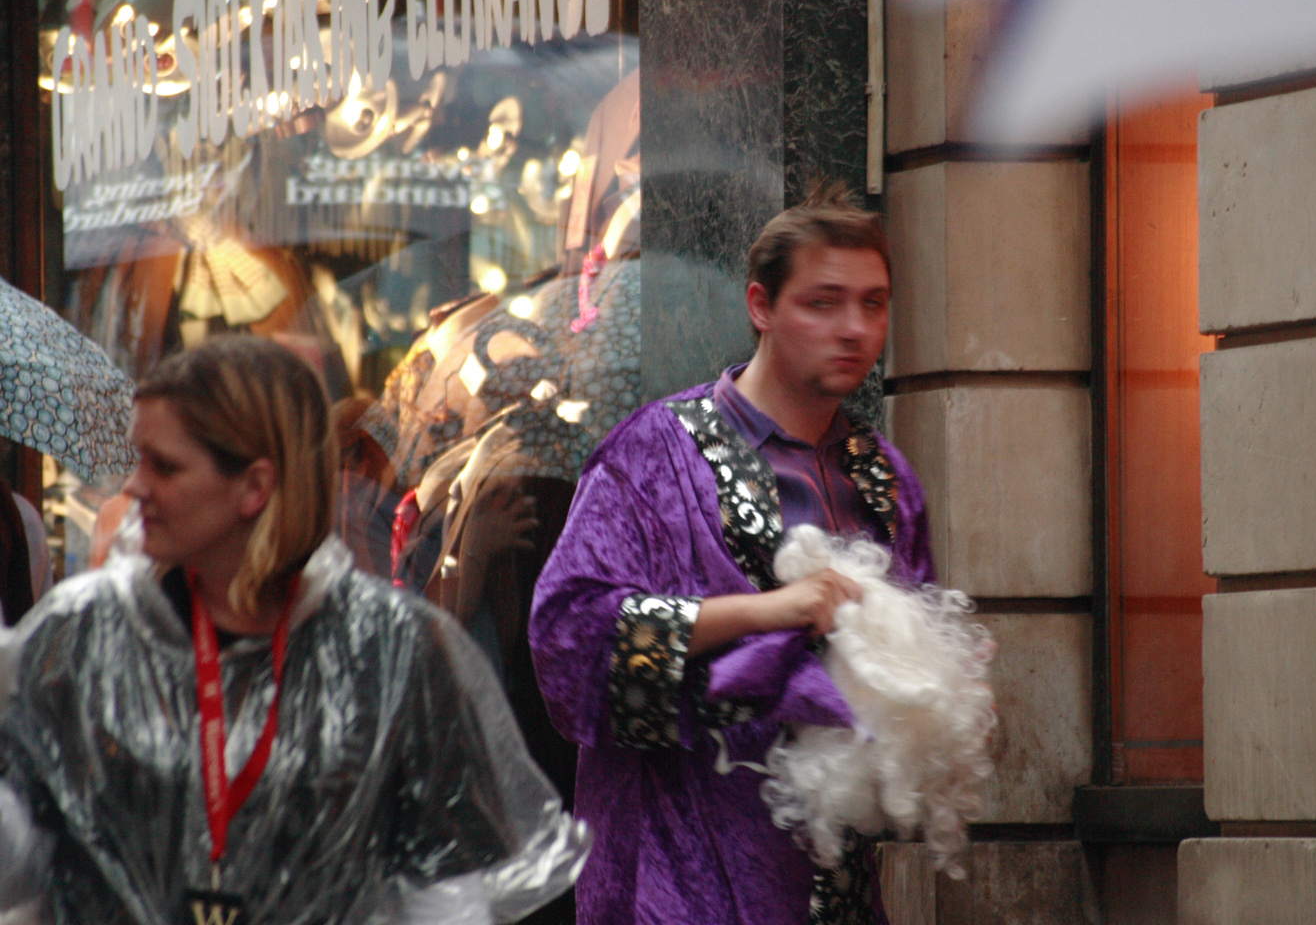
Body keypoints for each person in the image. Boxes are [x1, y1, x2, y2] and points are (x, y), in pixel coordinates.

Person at [0, 336, 588, 925]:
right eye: (138, 459)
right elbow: (16, 857)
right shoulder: (82, 637)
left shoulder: (391, 652)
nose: (134, 487)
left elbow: (449, 897)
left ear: (255, 487)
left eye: (165, 465)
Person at [529, 184, 934, 925]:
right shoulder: (655, 454)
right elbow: (568, 638)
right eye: (824, 302)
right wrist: (766, 613)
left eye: (873, 304)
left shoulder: (886, 481)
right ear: (761, 306)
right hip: (679, 871)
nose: (853, 328)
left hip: (835, 886)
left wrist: (941, 687)